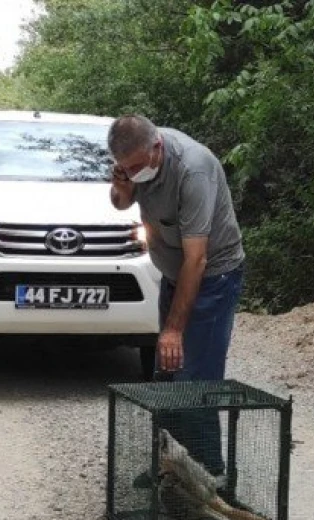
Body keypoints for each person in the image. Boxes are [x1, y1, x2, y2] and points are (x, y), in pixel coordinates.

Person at [107, 114, 245, 477]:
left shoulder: (193, 170)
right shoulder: (134, 163)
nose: (133, 173)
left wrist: (173, 329)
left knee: (194, 382)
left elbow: (197, 259)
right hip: (174, 275)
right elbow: (121, 203)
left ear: (157, 149)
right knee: (166, 376)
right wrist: (121, 185)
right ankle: (170, 468)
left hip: (213, 277)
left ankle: (209, 477)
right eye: (124, 168)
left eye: (136, 166)